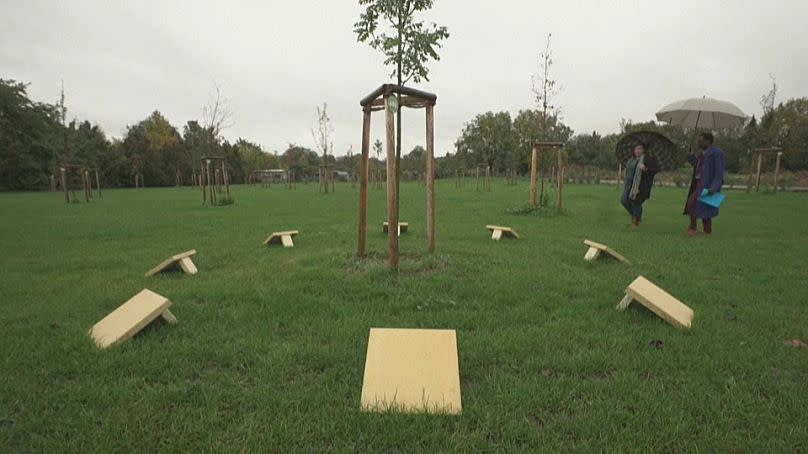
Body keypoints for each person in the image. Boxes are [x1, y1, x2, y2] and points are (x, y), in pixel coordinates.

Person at [683, 132, 725, 235]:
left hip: (708, 184)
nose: (698, 142)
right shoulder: (702, 154)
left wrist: (714, 187)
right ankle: (697, 228)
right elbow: (697, 167)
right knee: (694, 204)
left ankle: (701, 230)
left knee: (703, 207)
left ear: (708, 141)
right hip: (698, 183)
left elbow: (719, 172)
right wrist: (691, 156)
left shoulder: (717, 153)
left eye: (700, 140)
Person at [620, 142, 659, 228]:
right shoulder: (632, 159)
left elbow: (655, 169)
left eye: (640, 148)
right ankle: (636, 216)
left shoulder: (648, 159)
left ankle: (635, 222)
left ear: (644, 150)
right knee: (624, 200)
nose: (637, 151)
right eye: (636, 149)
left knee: (636, 202)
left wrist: (645, 168)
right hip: (629, 186)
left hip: (641, 186)